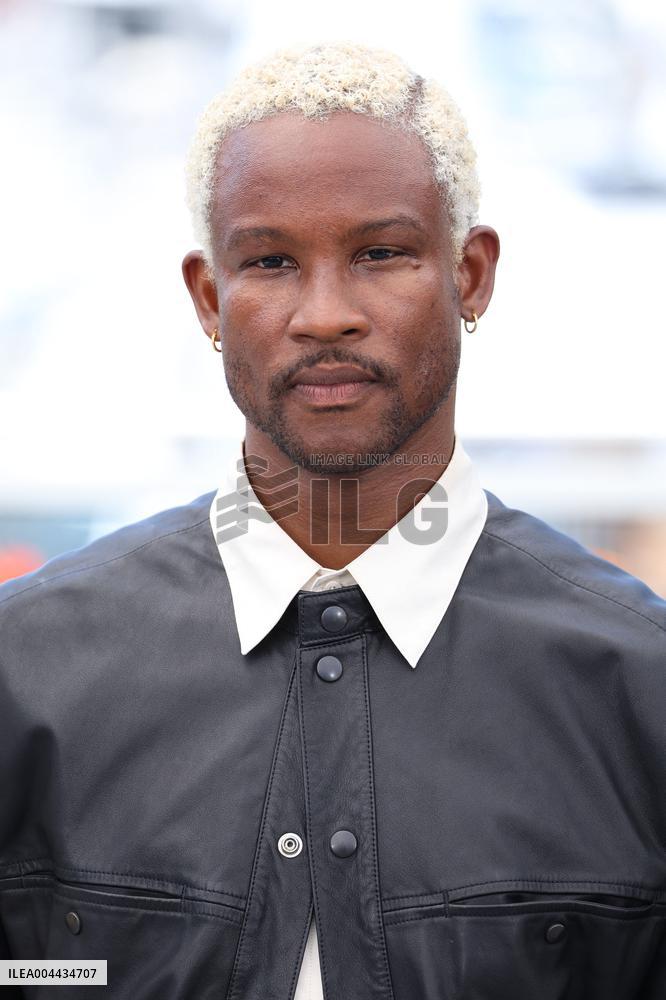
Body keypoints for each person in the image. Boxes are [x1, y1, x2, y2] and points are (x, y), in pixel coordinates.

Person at [1, 40, 664, 1000]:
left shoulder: (635, 688)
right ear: (208, 297)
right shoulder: (29, 672)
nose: (324, 314)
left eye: (381, 253)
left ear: (471, 275)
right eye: (269, 261)